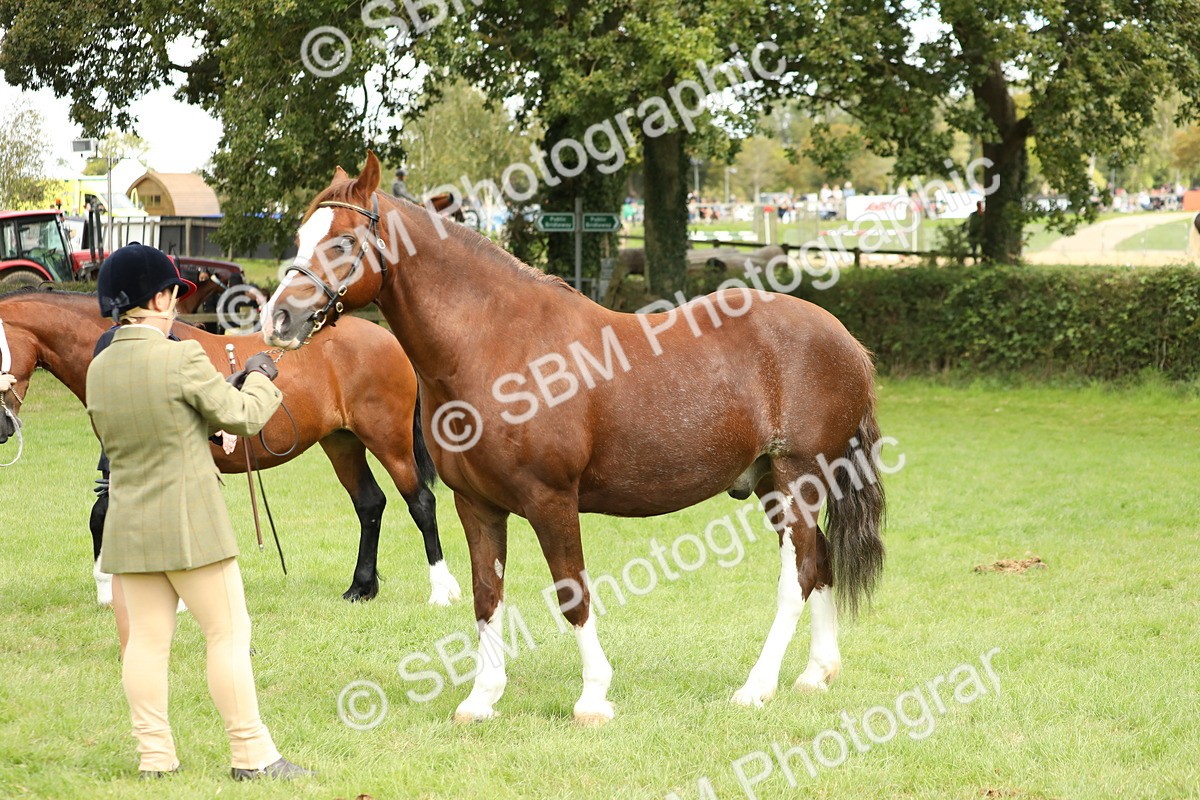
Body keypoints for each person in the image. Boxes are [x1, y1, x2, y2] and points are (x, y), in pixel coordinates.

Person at [86, 243, 312, 782]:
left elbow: (146, 423)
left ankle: (155, 757)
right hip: (190, 523)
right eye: (173, 294)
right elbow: (243, 417)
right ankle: (252, 755)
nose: (177, 305)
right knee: (228, 633)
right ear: (158, 297)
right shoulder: (181, 355)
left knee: (145, 643)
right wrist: (259, 375)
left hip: (128, 523)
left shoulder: (99, 367)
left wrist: (200, 422)